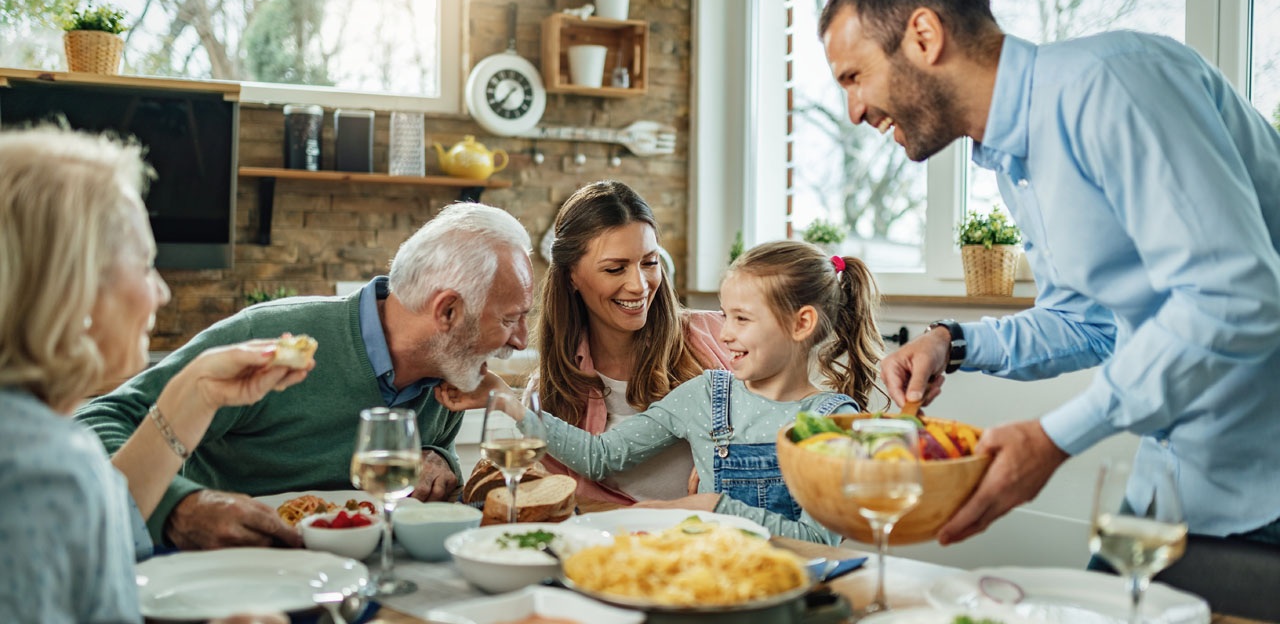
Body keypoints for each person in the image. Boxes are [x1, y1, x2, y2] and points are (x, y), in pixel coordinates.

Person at [819, 0, 1280, 547]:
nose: (853, 111)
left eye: (855, 77)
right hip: (1177, 484)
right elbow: (1090, 324)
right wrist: (951, 341)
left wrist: (1055, 437)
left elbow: (1235, 297)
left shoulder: (1114, 83)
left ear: (924, 36)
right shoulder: (1016, 159)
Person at [76, 201, 534, 550]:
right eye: (512, 318)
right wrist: (178, 506)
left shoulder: (451, 372)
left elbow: (431, 467)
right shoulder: (271, 336)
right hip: (224, 577)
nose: (520, 340)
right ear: (448, 310)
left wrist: (440, 461)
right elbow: (96, 424)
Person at [0, 128, 301, 623]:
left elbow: (101, 526)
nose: (160, 292)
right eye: (145, 265)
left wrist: (197, 391)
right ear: (73, 288)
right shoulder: (41, 472)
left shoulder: (35, 436)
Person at [440, 240, 883, 543]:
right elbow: (601, 456)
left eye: (742, 319)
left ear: (801, 323)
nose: (725, 335)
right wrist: (509, 403)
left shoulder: (831, 420)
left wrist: (714, 506)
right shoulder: (708, 394)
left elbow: (819, 539)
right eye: (725, 316)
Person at [528, 180, 731, 504]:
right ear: (571, 277)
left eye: (649, 262)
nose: (639, 285)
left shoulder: (720, 337)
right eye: (614, 268)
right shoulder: (550, 394)